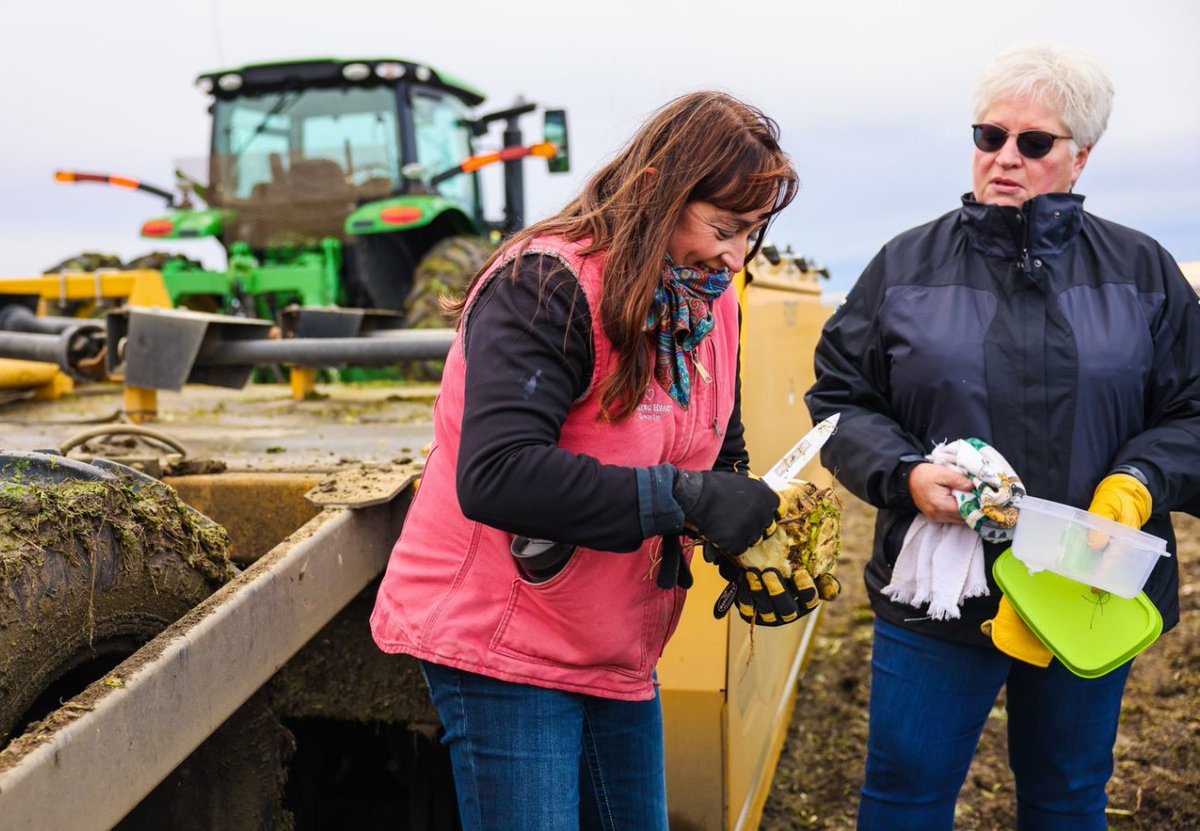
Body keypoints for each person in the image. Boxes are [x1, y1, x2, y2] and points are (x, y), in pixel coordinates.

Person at [371, 91, 810, 831]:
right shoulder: (546, 286)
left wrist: (746, 544)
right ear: (656, 192)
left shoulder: (709, 305)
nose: (736, 256)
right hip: (503, 638)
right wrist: (690, 500)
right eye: (724, 228)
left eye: (753, 234)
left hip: (615, 641)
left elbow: (717, 446)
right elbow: (499, 473)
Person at [805, 42, 1200, 831]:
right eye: (989, 136)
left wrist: (1142, 480)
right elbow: (841, 399)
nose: (1005, 158)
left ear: (1081, 156)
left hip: (1089, 583)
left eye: (1033, 142)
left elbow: (1193, 409)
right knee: (905, 793)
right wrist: (906, 475)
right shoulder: (904, 266)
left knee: (1066, 794)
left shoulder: (1143, 270)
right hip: (939, 590)